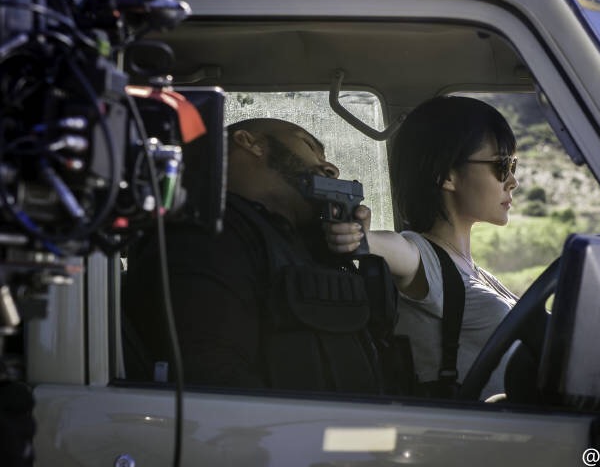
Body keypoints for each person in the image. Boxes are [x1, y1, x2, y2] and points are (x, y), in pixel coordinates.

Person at [124, 118, 382, 390]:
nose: (331, 168)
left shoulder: (305, 242)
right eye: (309, 146)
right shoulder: (205, 235)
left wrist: (360, 242)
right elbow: (211, 380)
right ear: (250, 143)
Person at [325, 96, 519, 397]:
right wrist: (361, 238)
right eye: (502, 165)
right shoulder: (422, 257)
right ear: (446, 176)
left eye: (513, 165)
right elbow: (397, 250)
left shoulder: (472, 270)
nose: (513, 181)